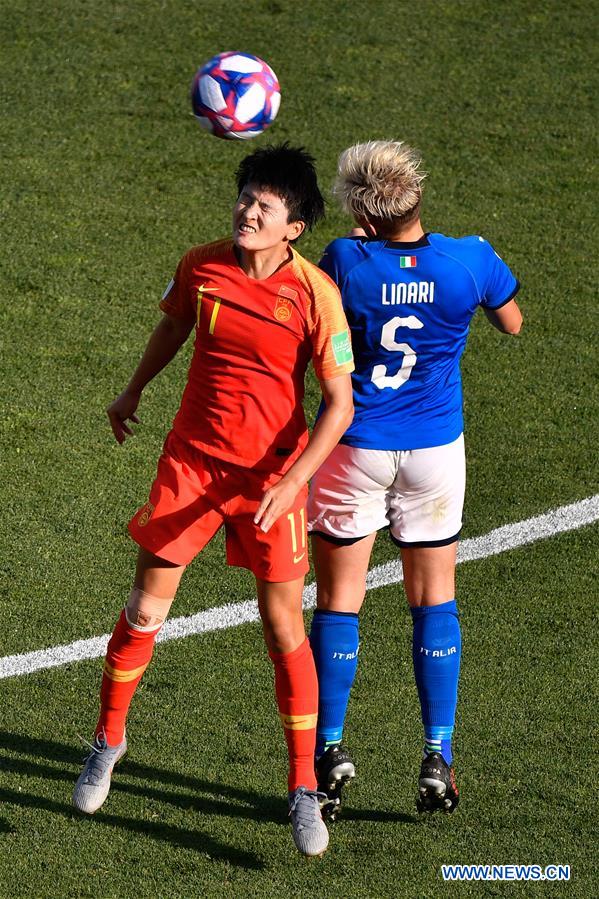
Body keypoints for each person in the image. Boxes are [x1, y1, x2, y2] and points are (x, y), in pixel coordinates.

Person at [72, 144, 354, 858]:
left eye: (264, 204)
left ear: (292, 225)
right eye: (244, 198)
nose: (247, 211)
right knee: (144, 609)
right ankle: (108, 739)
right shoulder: (201, 265)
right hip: (191, 466)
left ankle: (300, 787)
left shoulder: (315, 294)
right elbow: (173, 325)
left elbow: (339, 403)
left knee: (283, 625)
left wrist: (294, 481)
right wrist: (132, 389)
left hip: (270, 480)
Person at [306, 140, 522, 819]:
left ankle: (329, 752)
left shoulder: (344, 261)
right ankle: (436, 754)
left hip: (354, 446)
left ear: (362, 215)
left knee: (339, 603)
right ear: (416, 197)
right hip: (434, 451)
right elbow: (511, 322)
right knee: (433, 602)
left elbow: (315, 329)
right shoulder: (469, 259)